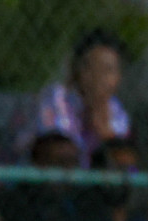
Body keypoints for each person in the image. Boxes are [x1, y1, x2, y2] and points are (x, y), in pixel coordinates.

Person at [11, 28, 131, 166]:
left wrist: (106, 133)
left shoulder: (115, 109)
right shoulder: (56, 97)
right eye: (92, 68)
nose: (100, 78)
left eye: (109, 70)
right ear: (75, 70)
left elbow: (128, 165)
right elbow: (57, 153)